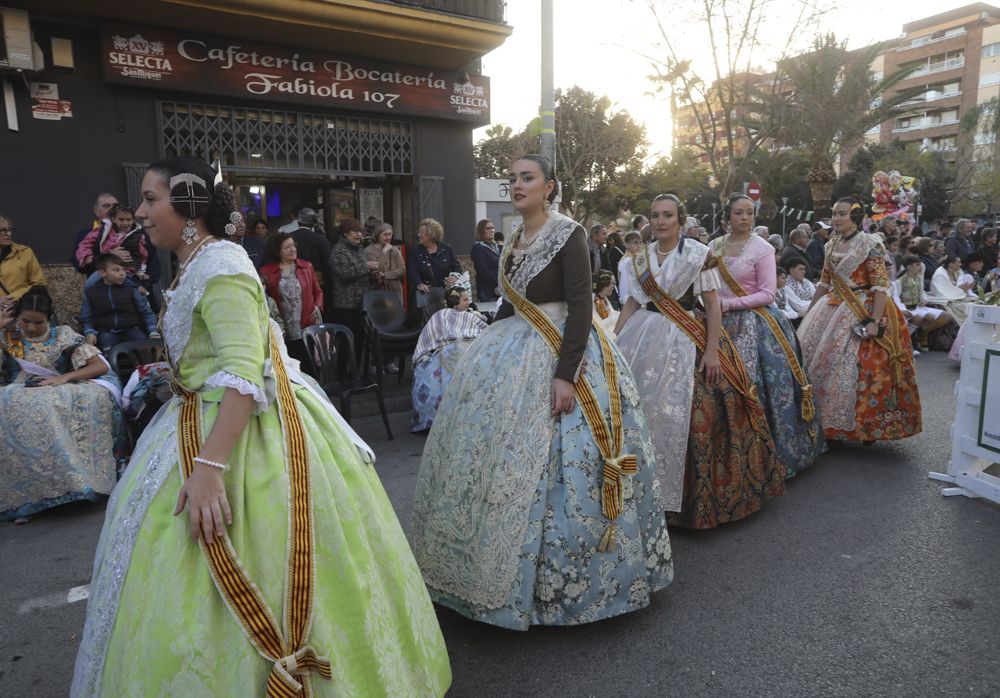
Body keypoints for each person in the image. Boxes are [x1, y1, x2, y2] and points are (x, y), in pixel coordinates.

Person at [72, 157, 451, 697]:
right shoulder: (195, 263)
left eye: (153, 200)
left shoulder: (220, 264)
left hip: (238, 431)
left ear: (190, 205)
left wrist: (207, 468)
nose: (143, 212)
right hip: (197, 414)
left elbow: (241, 373)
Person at [410, 154, 672, 630]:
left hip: (565, 352)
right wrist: (481, 349)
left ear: (549, 186)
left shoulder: (568, 233)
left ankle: (558, 588)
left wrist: (565, 374)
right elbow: (511, 304)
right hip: (513, 347)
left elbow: (579, 305)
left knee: (562, 468)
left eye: (526, 178)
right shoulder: (513, 237)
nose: (516, 185)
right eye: (511, 179)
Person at [614, 194, 782, 529]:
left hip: (685, 336)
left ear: (680, 219)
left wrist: (710, 350)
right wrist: (614, 342)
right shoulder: (641, 258)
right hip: (644, 335)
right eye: (655, 215)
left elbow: (712, 304)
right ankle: (638, 490)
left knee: (693, 413)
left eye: (668, 215)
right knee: (638, 410)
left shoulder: (698, 255)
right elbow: (633, 302)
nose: (660, 222)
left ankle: (684, 501)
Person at [712, 193, 825, 477]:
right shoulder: (713, 246)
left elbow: (767, 294)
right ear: (728, 216)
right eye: (739, 212)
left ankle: (766, 455)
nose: (745, 218)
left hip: (757, 324)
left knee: (761, 386)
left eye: (749, 212)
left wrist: (728, 304)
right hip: (717, 322)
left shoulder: (761, 248)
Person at [798, 197, 922, 444]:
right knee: (822, 362)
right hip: (832, 307)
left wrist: (874, 321)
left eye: (842, 214)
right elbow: (824, 282)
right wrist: (809, 313)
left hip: (865, 307)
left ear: (855, 217)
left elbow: (879, 286)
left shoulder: (870, 244)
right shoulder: (830, 244)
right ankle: (827, 423)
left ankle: (867, 428)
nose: (836, 218)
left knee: (867, 369)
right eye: (834, 214)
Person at [0, 286, 127, 523]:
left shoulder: (62, 335)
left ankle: (74, 481)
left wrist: (63, 378)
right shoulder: (10, 336)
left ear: (48, 319)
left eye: (37, 323)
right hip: (21, 389)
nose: (30, 328)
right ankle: (29, 495)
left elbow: (99, 366)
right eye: (25, 321)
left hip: (62, 384)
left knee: (53, 404)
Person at [410, 285, 487, 433]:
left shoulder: (471, 315)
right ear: (455, 301)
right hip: (441, 350)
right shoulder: (441, 315)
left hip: (465, 347)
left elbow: (484, 330)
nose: (468, 303)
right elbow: (436, 334)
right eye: (465, 300)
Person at [259, 232, 323, 368]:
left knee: (308, 364)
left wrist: (317, 306)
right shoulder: (266, 271)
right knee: (288, 365)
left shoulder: (306, 267)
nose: (292, 249)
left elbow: (318, 291)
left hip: (306, 323)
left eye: (293, 245)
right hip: (282, 326)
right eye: (287, 247)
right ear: (277, 251)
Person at [80, 254, 161, 352]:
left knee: (144, 349)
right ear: (102, 273)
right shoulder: (91, 293)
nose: (122, 274)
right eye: (116, 270)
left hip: (132, 329)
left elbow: (146, 312)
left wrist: (153, 331)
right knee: (108, 350)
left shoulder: (132, 289)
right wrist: (90, 332)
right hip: (106, 331)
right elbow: (86, 318)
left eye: (124, 270)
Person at [329, 218, 377, 366]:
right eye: (355, 232)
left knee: (360, 339)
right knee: (346, 340)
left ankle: (357, 374)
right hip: (346, 305)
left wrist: (374, 275)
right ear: (345, 233)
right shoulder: (338, 251)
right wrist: (366, 266)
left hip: (361, 303)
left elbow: (362, 273)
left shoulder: (359, 249)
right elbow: (344, 273)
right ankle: (343, 375)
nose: (359, 235)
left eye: (360, 232)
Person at [897, 255, 954, 352]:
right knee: (929, 317)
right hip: (907, 308)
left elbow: (921, 292)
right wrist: (903, 309)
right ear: (909, 267)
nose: (920, 267)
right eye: (917, 265)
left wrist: (924, 299)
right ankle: (907, 340)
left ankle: (923, 335)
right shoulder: (900, 280)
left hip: (917, 307)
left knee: (947, 316)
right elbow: (896, 297)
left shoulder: (918, 278)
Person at [407, 217, 461, 307]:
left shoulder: (447, 249)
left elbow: (456, 267)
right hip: (424, 296)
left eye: (421, 232)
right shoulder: (415, 251)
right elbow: (412, 271)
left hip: (443, 295)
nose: (418, 235)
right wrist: (418, 284)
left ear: (431, 234)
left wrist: (454, 276)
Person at [290, 207, 333, 303]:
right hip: (317, 284)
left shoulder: (289, 237)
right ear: (313, 223)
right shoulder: (321, 239)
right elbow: (328, 265)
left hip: (293, 282)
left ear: (298, 221)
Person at [0, 215, 46, 303]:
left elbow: (39, 284)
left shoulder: (24, 252)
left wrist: (12, 297)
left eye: (10, 230)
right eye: (3, 230)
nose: (8, 234)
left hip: (17, 308)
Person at [70, 193, 119, 277]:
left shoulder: (133, 231)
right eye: (106, 206)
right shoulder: (85, 235)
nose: (112, 209)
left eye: (115, 206)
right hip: (99, 283)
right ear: (96, 211)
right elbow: (81, 266)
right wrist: (110, 256)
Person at [364, 222, 405, 301]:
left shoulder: (394, 250)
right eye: (385, 234)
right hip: (378, 292)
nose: (388, 237)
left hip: (395, 292)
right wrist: (384, 252)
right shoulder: (368, 251)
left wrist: (384, 275)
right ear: (378, 235)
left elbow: (402, 269)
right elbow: (376, 271)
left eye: (390, 234)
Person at [929, 255, 973, 324]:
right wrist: (961, 289)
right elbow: (944, 292)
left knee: (976, 302)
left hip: (958, 297)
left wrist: (965, 288)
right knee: (965, 307)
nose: (960, 264)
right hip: (946, 299)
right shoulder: (939, 275)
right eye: (958, 262)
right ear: (950, 264)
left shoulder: (957, 271)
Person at [470, 218, 501, 302]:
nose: (491, 230)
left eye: (492, 228)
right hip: (487, 291)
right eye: (488, 228)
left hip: (500, 289)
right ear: (481, 231)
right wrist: (498, 283)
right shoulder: (478, 248)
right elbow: (484, 270)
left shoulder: (497, 246)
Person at [616, 230, 643, 307]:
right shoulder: (627, 261)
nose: (639, 245)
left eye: (640, 242)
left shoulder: (635, 258)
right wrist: (625, 300)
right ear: (627, 245)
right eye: (635, 243)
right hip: (629, 299)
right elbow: (624, 283)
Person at [592, 270, 619, 338]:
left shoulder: (604, 299)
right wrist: (614, 318)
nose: (614, 287)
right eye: (613, 283)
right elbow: (600, 324)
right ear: (605, 285)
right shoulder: (595, 301)